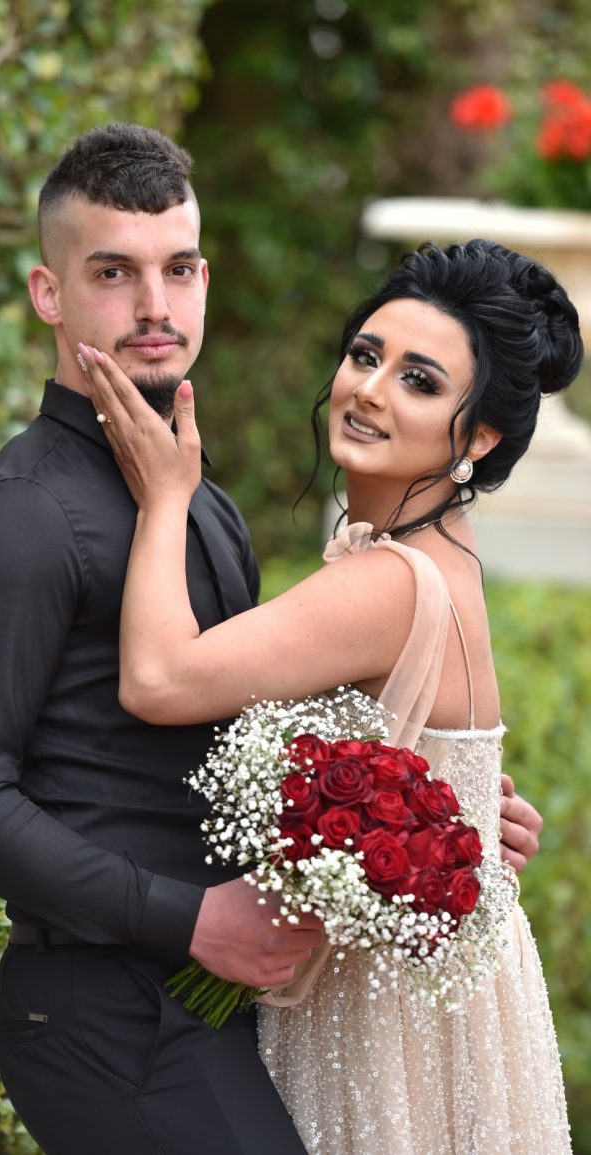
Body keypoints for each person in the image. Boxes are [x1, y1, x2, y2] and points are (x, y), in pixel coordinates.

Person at [0, 123, 542, 1155]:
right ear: (48, 293)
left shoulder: (203, 503)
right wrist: (191, 919)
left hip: (225, 1006)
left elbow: (250, 739)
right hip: (107, 1019)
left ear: (205, 280)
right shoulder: (22, 516)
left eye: (177, 269)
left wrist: (439, 827)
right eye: (112, 273)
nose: (154, 308)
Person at [77, 236, 576, 1154]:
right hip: (449, 985)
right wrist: (467, 819)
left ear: (479, 436)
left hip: (383, 1017)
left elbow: (156, 680)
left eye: (419, 380)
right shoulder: (443, 551)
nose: (370, 390)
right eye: (364, 355)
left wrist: (165, 498)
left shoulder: (386, 580)